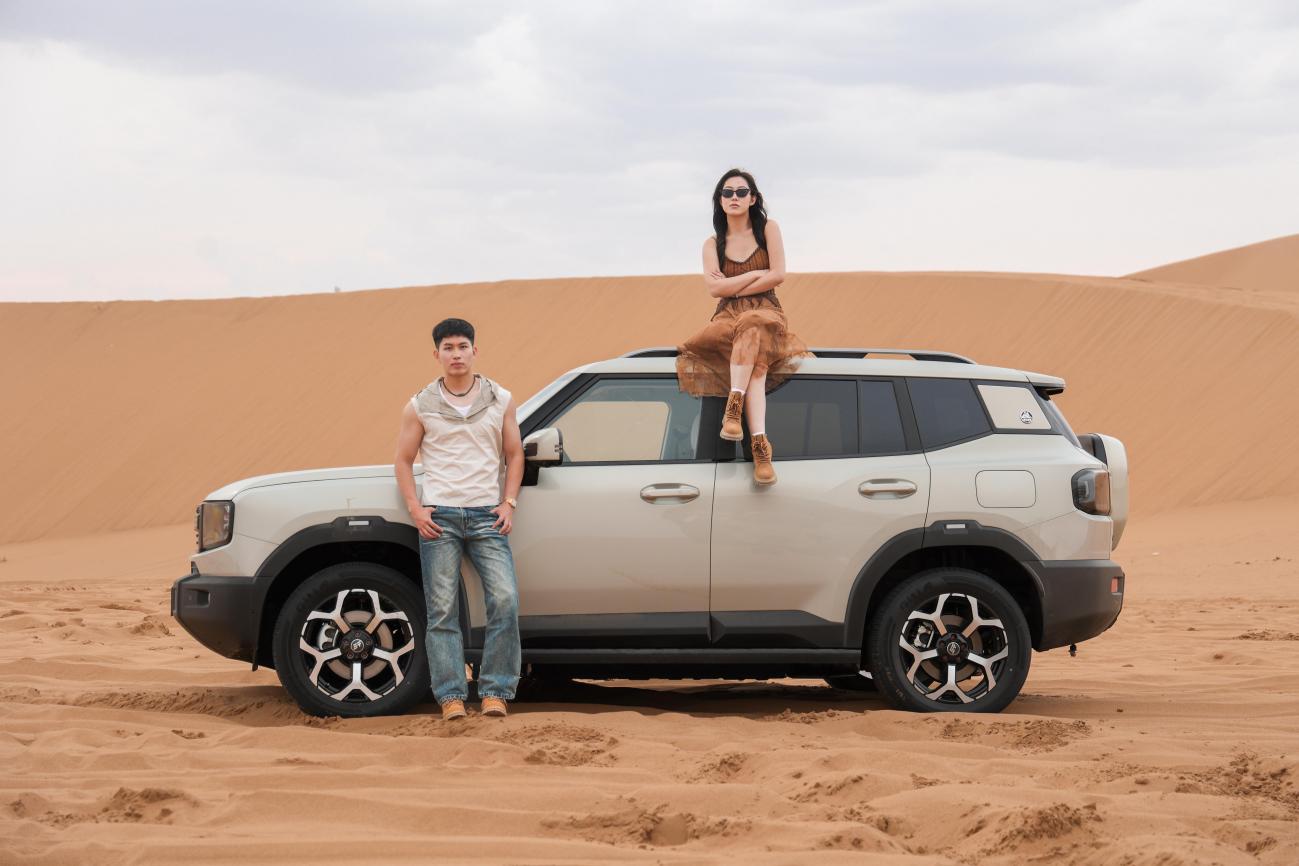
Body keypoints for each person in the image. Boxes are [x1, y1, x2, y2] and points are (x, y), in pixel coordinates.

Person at [394, 318, 524, 721]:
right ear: (437, 354)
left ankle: (495, 692)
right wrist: (416, 509)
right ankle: (451, 696)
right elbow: (403, 460)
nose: (456, 354)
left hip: (488, 516)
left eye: (462, 346)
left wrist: (509, 503)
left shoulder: (500, 398)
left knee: (505, 600)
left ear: (474, 351)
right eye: (448, 348)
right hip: (441, 518)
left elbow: (514, 454)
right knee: (442, 610)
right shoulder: (420, 405)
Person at [676, 168, 811, 486]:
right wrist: (754, 275)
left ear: (753, 198)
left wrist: (733, 284)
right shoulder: (713, 244)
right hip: (726, 317)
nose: (734, 197)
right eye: (727, 192)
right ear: (719, 200)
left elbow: (778, 274)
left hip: (766, 311)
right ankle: (760, 445)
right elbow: (715, 290)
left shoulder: (768, 229)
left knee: (753, 325)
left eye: (741, 192)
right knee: (755, 360)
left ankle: (734, 410)